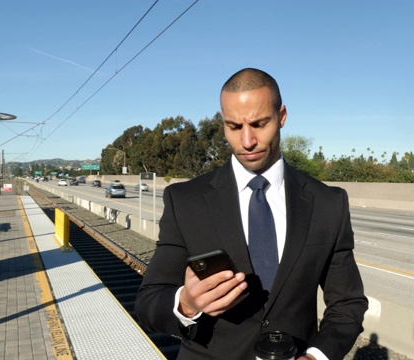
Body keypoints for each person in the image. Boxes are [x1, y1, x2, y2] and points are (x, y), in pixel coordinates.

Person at [135, 68, 368, 360]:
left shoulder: (327, 203)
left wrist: (317, 356)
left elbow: (348, 303)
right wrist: (186, 303)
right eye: (234, 127)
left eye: (259, 124)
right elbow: (148, 303)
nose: (247, 141)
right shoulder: (185, 200)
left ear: (281, 116)